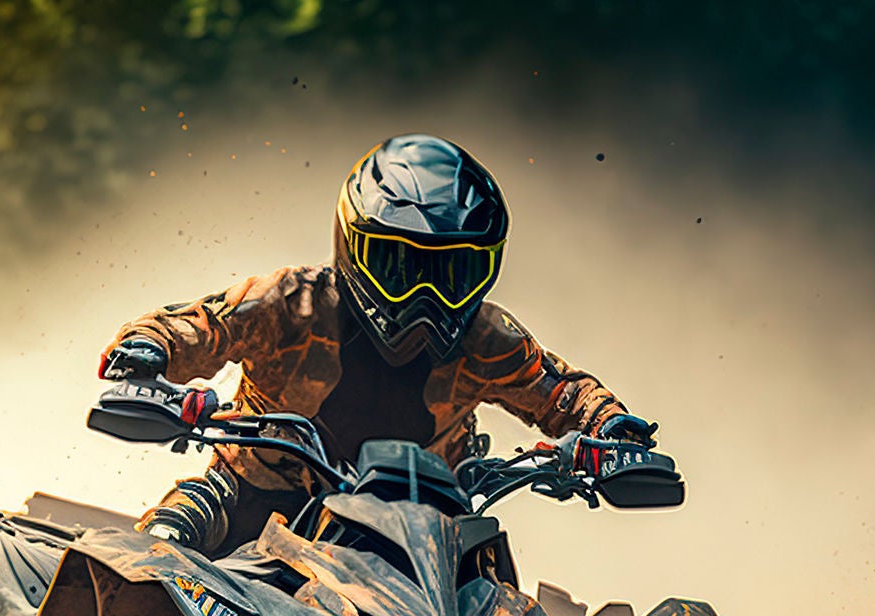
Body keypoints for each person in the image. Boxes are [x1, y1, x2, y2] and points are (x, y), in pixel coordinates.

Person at [98, 133, 655, 556]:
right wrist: (146, 353)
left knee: (507, 609)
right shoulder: (291, 303)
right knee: (156, 557)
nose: (425, 297)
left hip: (425, 539)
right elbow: (197, 326)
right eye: (402, 266)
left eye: (453, 271)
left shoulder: (488, 337)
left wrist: (610, 430)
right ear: (352, 246)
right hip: (255, 500)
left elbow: (561, 393)